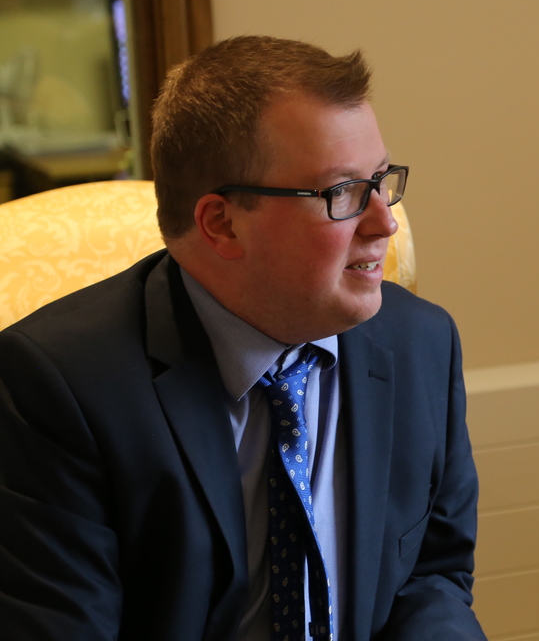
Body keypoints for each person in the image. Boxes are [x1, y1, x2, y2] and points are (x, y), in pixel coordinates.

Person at [0, 36, 487, 641]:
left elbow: (429, 578)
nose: (384, 220)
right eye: (342, 193)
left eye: (381, 179)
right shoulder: (59, 387)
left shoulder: (420, 346)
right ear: (222, 224)